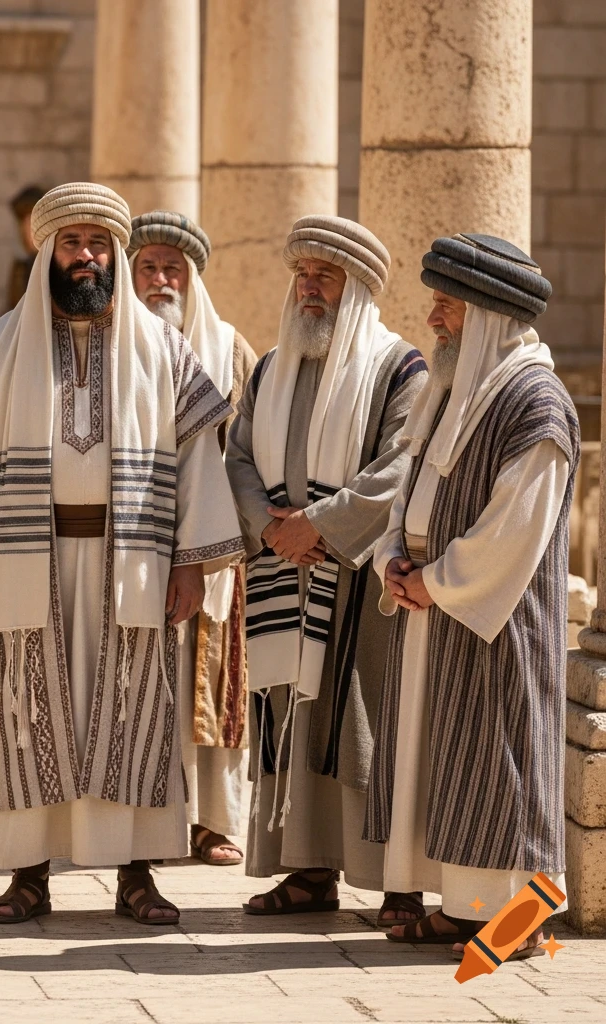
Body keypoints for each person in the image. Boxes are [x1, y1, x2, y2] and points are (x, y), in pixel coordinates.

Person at [0, 182, 244, 924]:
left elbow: (197, 458)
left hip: (136, 560)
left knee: (136, 714)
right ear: (47, 252)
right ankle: (28, 875)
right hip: (24, 559)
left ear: (116, 254)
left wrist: (192, 560)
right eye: (73, 243)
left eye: (99, 244)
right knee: (23, 712)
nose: (87, 256)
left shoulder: (163, 345)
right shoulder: (0, 344)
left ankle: (138, 875)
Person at [366, 234, 578, 960]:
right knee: (451, 766)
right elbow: (411, 488)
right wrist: (392, 555)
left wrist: (435, 579)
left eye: (447, 305)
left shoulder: (535, 402)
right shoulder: (454, 385)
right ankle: (465, 912)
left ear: (487, 315)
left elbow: (514, 529)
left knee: (499, 764)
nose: (434, 318)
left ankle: (520, 923)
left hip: (494, 619)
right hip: (432, 606)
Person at [225, 215, 428, 923]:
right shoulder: (269, 369)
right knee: (293, 721)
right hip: (287, 570)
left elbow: (400, 466)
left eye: (326, 277)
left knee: (366, 727)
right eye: (302, 275)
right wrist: (271, 529)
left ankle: (397, 881)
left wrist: (322, 526)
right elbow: (239, 457)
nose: (310, 289)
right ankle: (307, 873)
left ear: (361, 289)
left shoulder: (401, 369)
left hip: (360, 579)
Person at [127, 210, 257, 866]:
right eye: (147, 268)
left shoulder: (232, 349)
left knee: (214, 680)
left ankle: (215, 821)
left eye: (172, 269)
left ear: (192, 277)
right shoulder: (110, 341)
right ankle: (148, 814)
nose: (159, 280)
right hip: (131, 545)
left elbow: (250, 450)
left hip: (213, 547)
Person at [7, 184, 45, 309]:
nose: (26, 230)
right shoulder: (21, 268)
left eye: (32, 222)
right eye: (24, 223)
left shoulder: (52, 265)